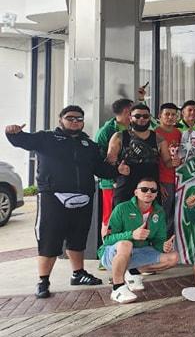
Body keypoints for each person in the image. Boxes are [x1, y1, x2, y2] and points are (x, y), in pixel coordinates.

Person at [6, 107, 118, 297]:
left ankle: (78, 273)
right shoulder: (46, 138)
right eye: (70, 118)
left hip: (83, 197)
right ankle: (43, 281)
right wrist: (13, 132)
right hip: (53, 198)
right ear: (61, 120)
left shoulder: (88, 144)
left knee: (78, 238)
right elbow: (22, 140)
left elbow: (101, 170)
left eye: (79, 118)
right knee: (49, 240)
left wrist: (116, 169)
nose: (75, 121)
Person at [99, 177, 179, 303]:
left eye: (153, 190)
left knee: (173, 257)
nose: (148, 193)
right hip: (113, 254)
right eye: (144, 189)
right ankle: (117, 288)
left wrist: (164, 246)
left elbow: (158, 241)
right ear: (136, 192)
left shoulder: (159, 211)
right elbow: (108, 239)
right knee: (126, 244)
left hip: (139, 252)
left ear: (156, 194)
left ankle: (132, 271)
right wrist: (132, 234)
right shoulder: (122, 208)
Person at [107, 104, 174, 205]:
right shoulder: (119, 136)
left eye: (145, 116)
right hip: (125, 189)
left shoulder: (159, 139)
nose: (141, 119)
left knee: (151, 220)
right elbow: (109, 161)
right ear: (130, 118)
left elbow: (168, 162)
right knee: (122, 220)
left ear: (149, 118)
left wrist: (177, 160)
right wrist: (117, 168)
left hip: (150, 190)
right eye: (137, 116)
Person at [95, 98, 133, 236]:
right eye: (132, 110)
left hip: (128, 180)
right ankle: (107, 249)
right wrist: (112, 178)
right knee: (109, 217)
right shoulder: (106, 131)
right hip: (110, 183)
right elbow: (100, 159)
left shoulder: (133, 128)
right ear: (126, 111)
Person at [154, 103, 183, 237]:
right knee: (162, 214)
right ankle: (159, 243)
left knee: (175, 214)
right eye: (167, 114)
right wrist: (158, 183)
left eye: (173, 114)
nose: (170, 117)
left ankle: (170, 245)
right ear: (160, 116)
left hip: (178, 179)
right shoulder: (155, 133)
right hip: (163, 180)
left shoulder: (179, 133)